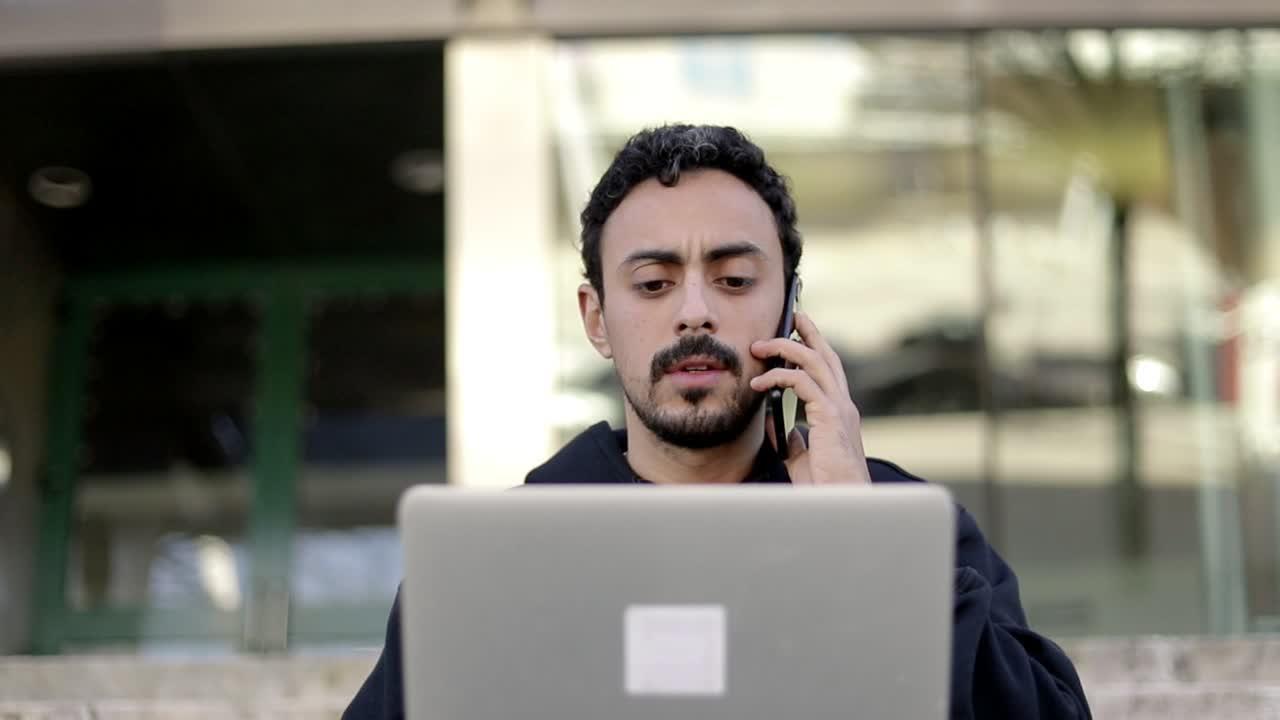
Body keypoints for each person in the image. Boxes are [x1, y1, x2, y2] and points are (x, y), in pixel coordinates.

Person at [344, 124, 1092, 719]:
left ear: (790, 307)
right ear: (597, 319)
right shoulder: (485, 569)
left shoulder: (913, 533)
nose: (694, 310)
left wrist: (865, 541)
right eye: (653, 283)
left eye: (734, 280)